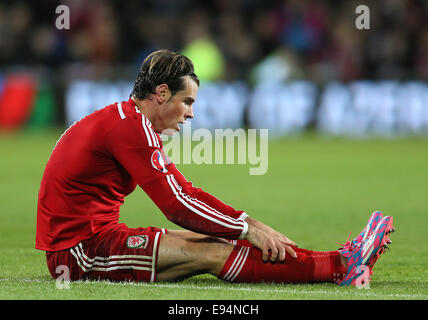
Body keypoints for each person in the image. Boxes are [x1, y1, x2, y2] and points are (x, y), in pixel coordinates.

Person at [36, 49, 394, 287]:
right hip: (79, 252)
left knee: (213, 241)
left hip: (94, 238)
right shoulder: (129, 128)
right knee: (212, 251)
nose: (191, 113)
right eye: (186, 101)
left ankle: (341, 261)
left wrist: (249, 222)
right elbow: (176, 207)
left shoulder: (129, 121)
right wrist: (242, 230)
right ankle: (340, 266)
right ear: (161, 94)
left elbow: (184, 192)